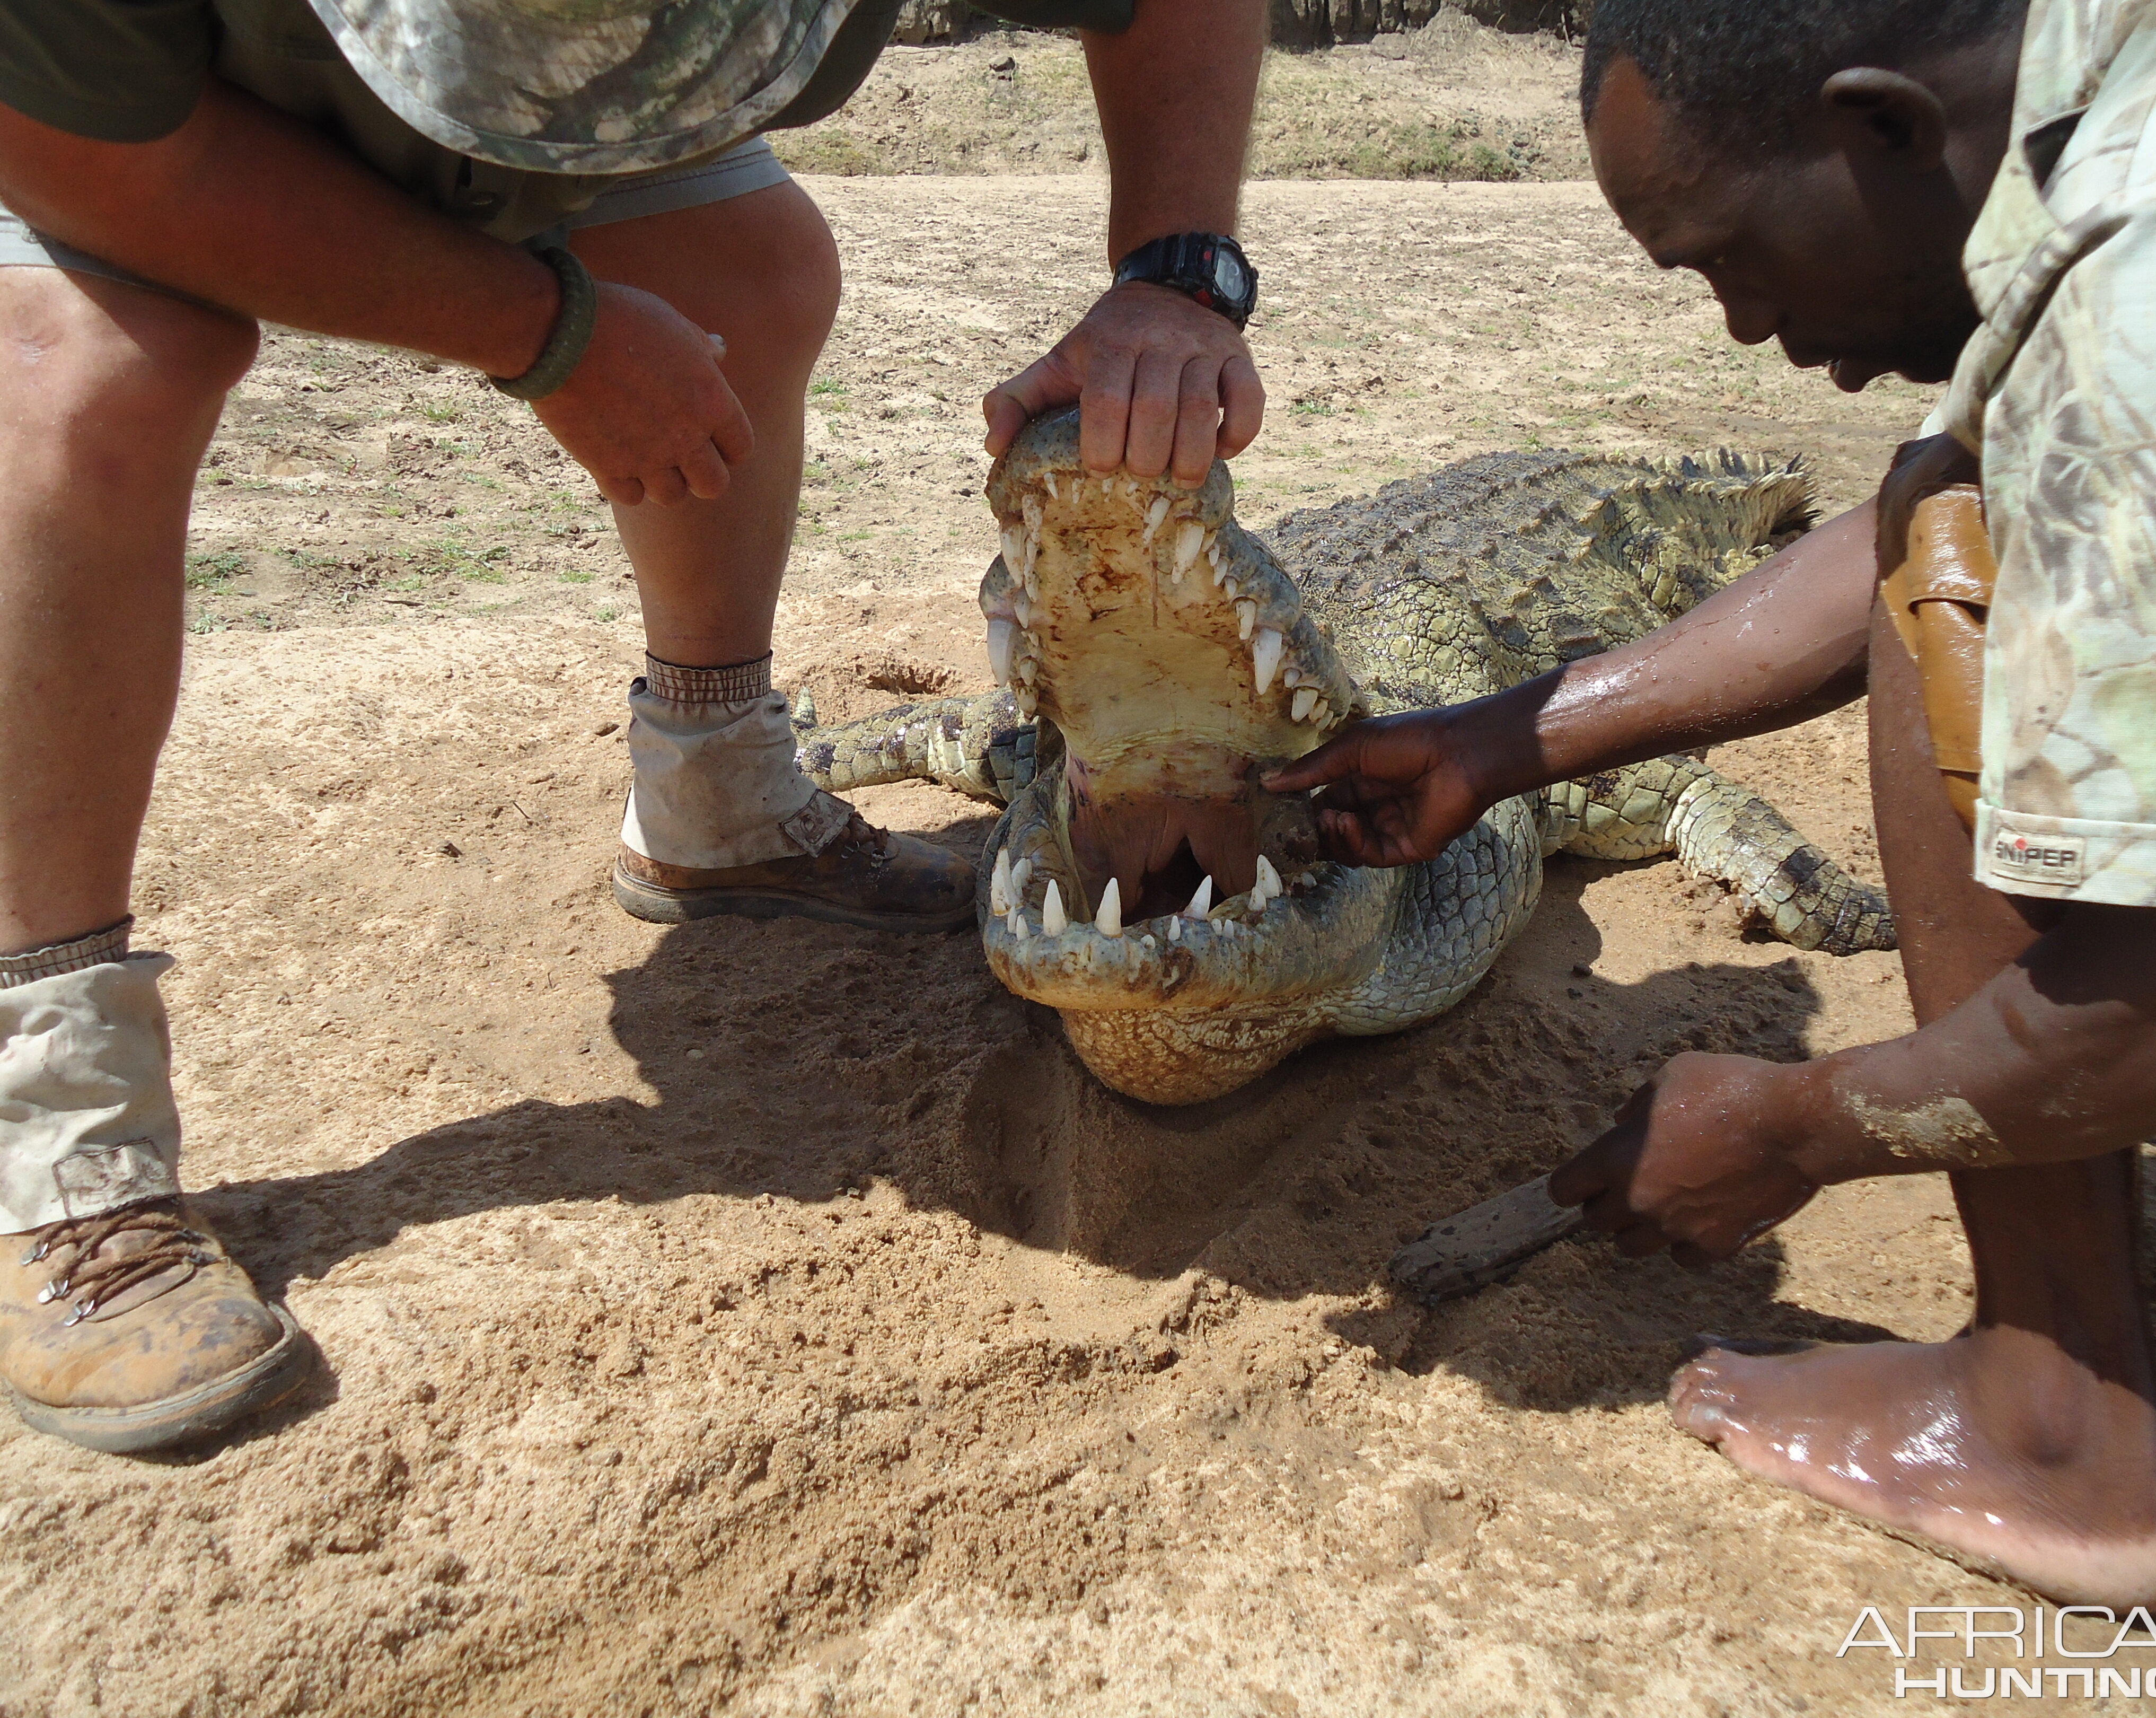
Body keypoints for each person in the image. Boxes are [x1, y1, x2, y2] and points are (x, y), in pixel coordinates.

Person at [0, 0, 1269, 1451]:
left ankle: (717, 803)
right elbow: (89, 160)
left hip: (544, 116)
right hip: (130, 119)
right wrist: (547, 333)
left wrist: (1178, 276)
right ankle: (56, 1129)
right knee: (83, 377)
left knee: (751, 266)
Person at [1271, 0, 2156, 1609]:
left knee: (1945, 615)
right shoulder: (2143, 66)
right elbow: (1941, 498)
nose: (1745, 328)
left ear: (1877, 128)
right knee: (1940, 551)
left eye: (1733, 256)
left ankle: (2051, 1439)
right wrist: (1498, 745)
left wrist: (1801, 1126)